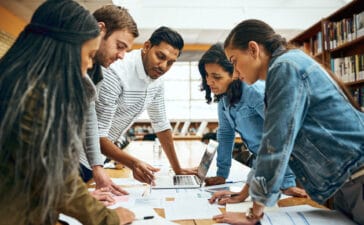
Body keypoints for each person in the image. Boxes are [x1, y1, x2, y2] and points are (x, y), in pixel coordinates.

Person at [211, 19, 364, 225]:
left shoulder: (285, 68)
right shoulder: (285, 66)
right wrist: (245, 193)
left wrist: (253, 213)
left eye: (234, 61)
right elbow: (269, 143)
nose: (235, 73)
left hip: (358, 176)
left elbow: (276, 142)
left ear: (253, 49)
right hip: (345, 179)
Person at [0, 1, 134, 224]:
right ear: (65, 49)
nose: (89, 64)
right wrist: (109, 219)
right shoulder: (34, 97)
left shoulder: (19, 82)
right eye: (89, 54)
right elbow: (55, 177)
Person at [199, 43, 306, 197]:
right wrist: (221, 174)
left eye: (216, 76)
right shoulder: (224, 100)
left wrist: (288, 182)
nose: (209, 82)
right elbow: (225, 135)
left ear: (234, 73)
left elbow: (282, 135)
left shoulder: (255, 92)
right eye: (207, 75)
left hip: (293, 169)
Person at [96, 26, 196, 184]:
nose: (163, 66)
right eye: (160, 56)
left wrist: (178, 169)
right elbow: (97, 136)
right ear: (147, 47)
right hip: (79, 157)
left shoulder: (157, 80)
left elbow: (161, 125)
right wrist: (133, 163)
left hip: (99, 158)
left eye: (170, 63)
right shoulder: (116, 73)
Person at [80, 4, 139, 198]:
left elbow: (89, 120)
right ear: (100, 29)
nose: (122, 56)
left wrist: (97, 167)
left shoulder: (95, 71)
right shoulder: (67, 65)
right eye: (120, 46)